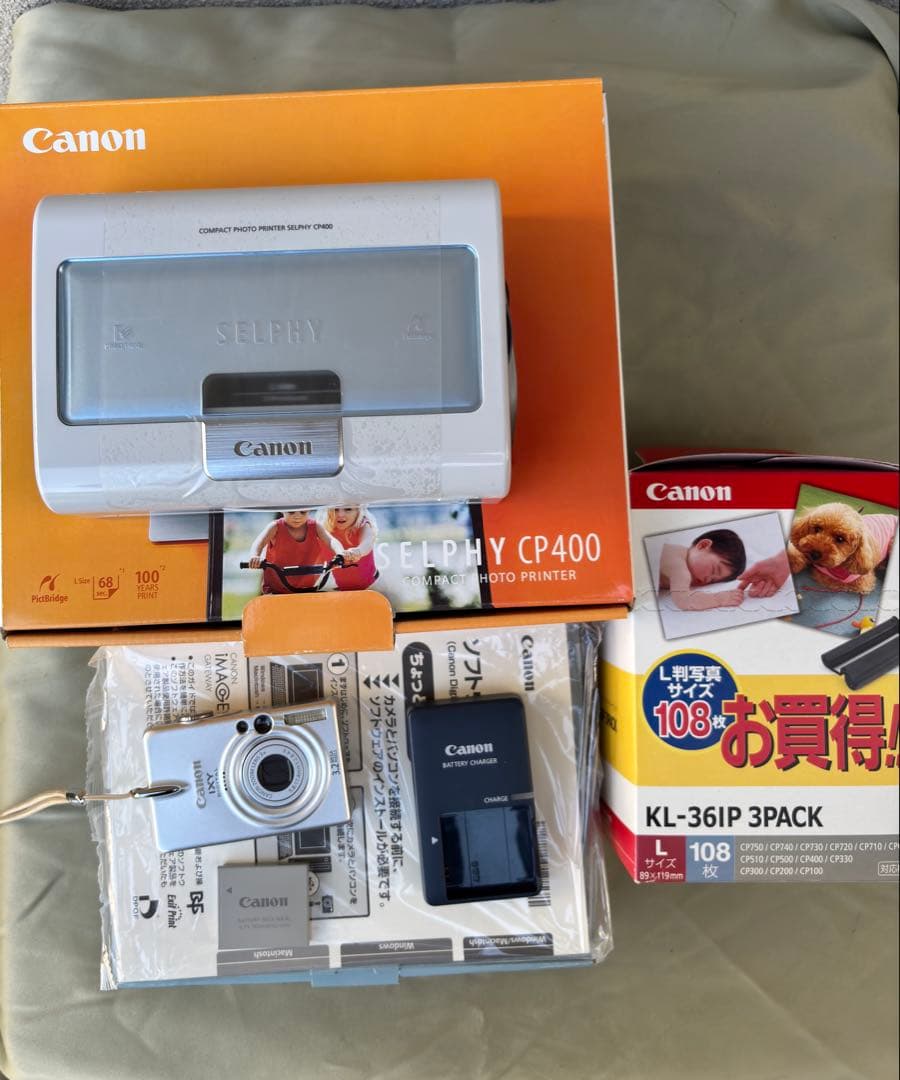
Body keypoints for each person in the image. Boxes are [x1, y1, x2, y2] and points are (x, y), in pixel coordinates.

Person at [247, 510, 338, 594]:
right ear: (282, 510)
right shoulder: (275, 527)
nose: (297, 516)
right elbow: (259, 542)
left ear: (309, 510)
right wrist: (254, 556)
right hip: (276, 590)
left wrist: (341, 553)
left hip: (307, 588)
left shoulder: (315, 526)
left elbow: (331, 540)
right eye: (291, 512)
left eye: (303, 512)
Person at [658, 528, 747, 611]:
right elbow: (684, 600)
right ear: (703, 545)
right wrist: (718, 599)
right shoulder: (678, 566)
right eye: (713, 570)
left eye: (712, 580)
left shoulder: (682, 555)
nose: (707, 580)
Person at [322, 506, 378, 590]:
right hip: (342, 588)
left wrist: (358, 551)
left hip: (371, 585)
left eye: (348, 509)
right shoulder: (325, 529)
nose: (340, 514)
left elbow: (367, 542)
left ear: (358, 511)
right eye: (335, 509)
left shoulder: (363, 524)